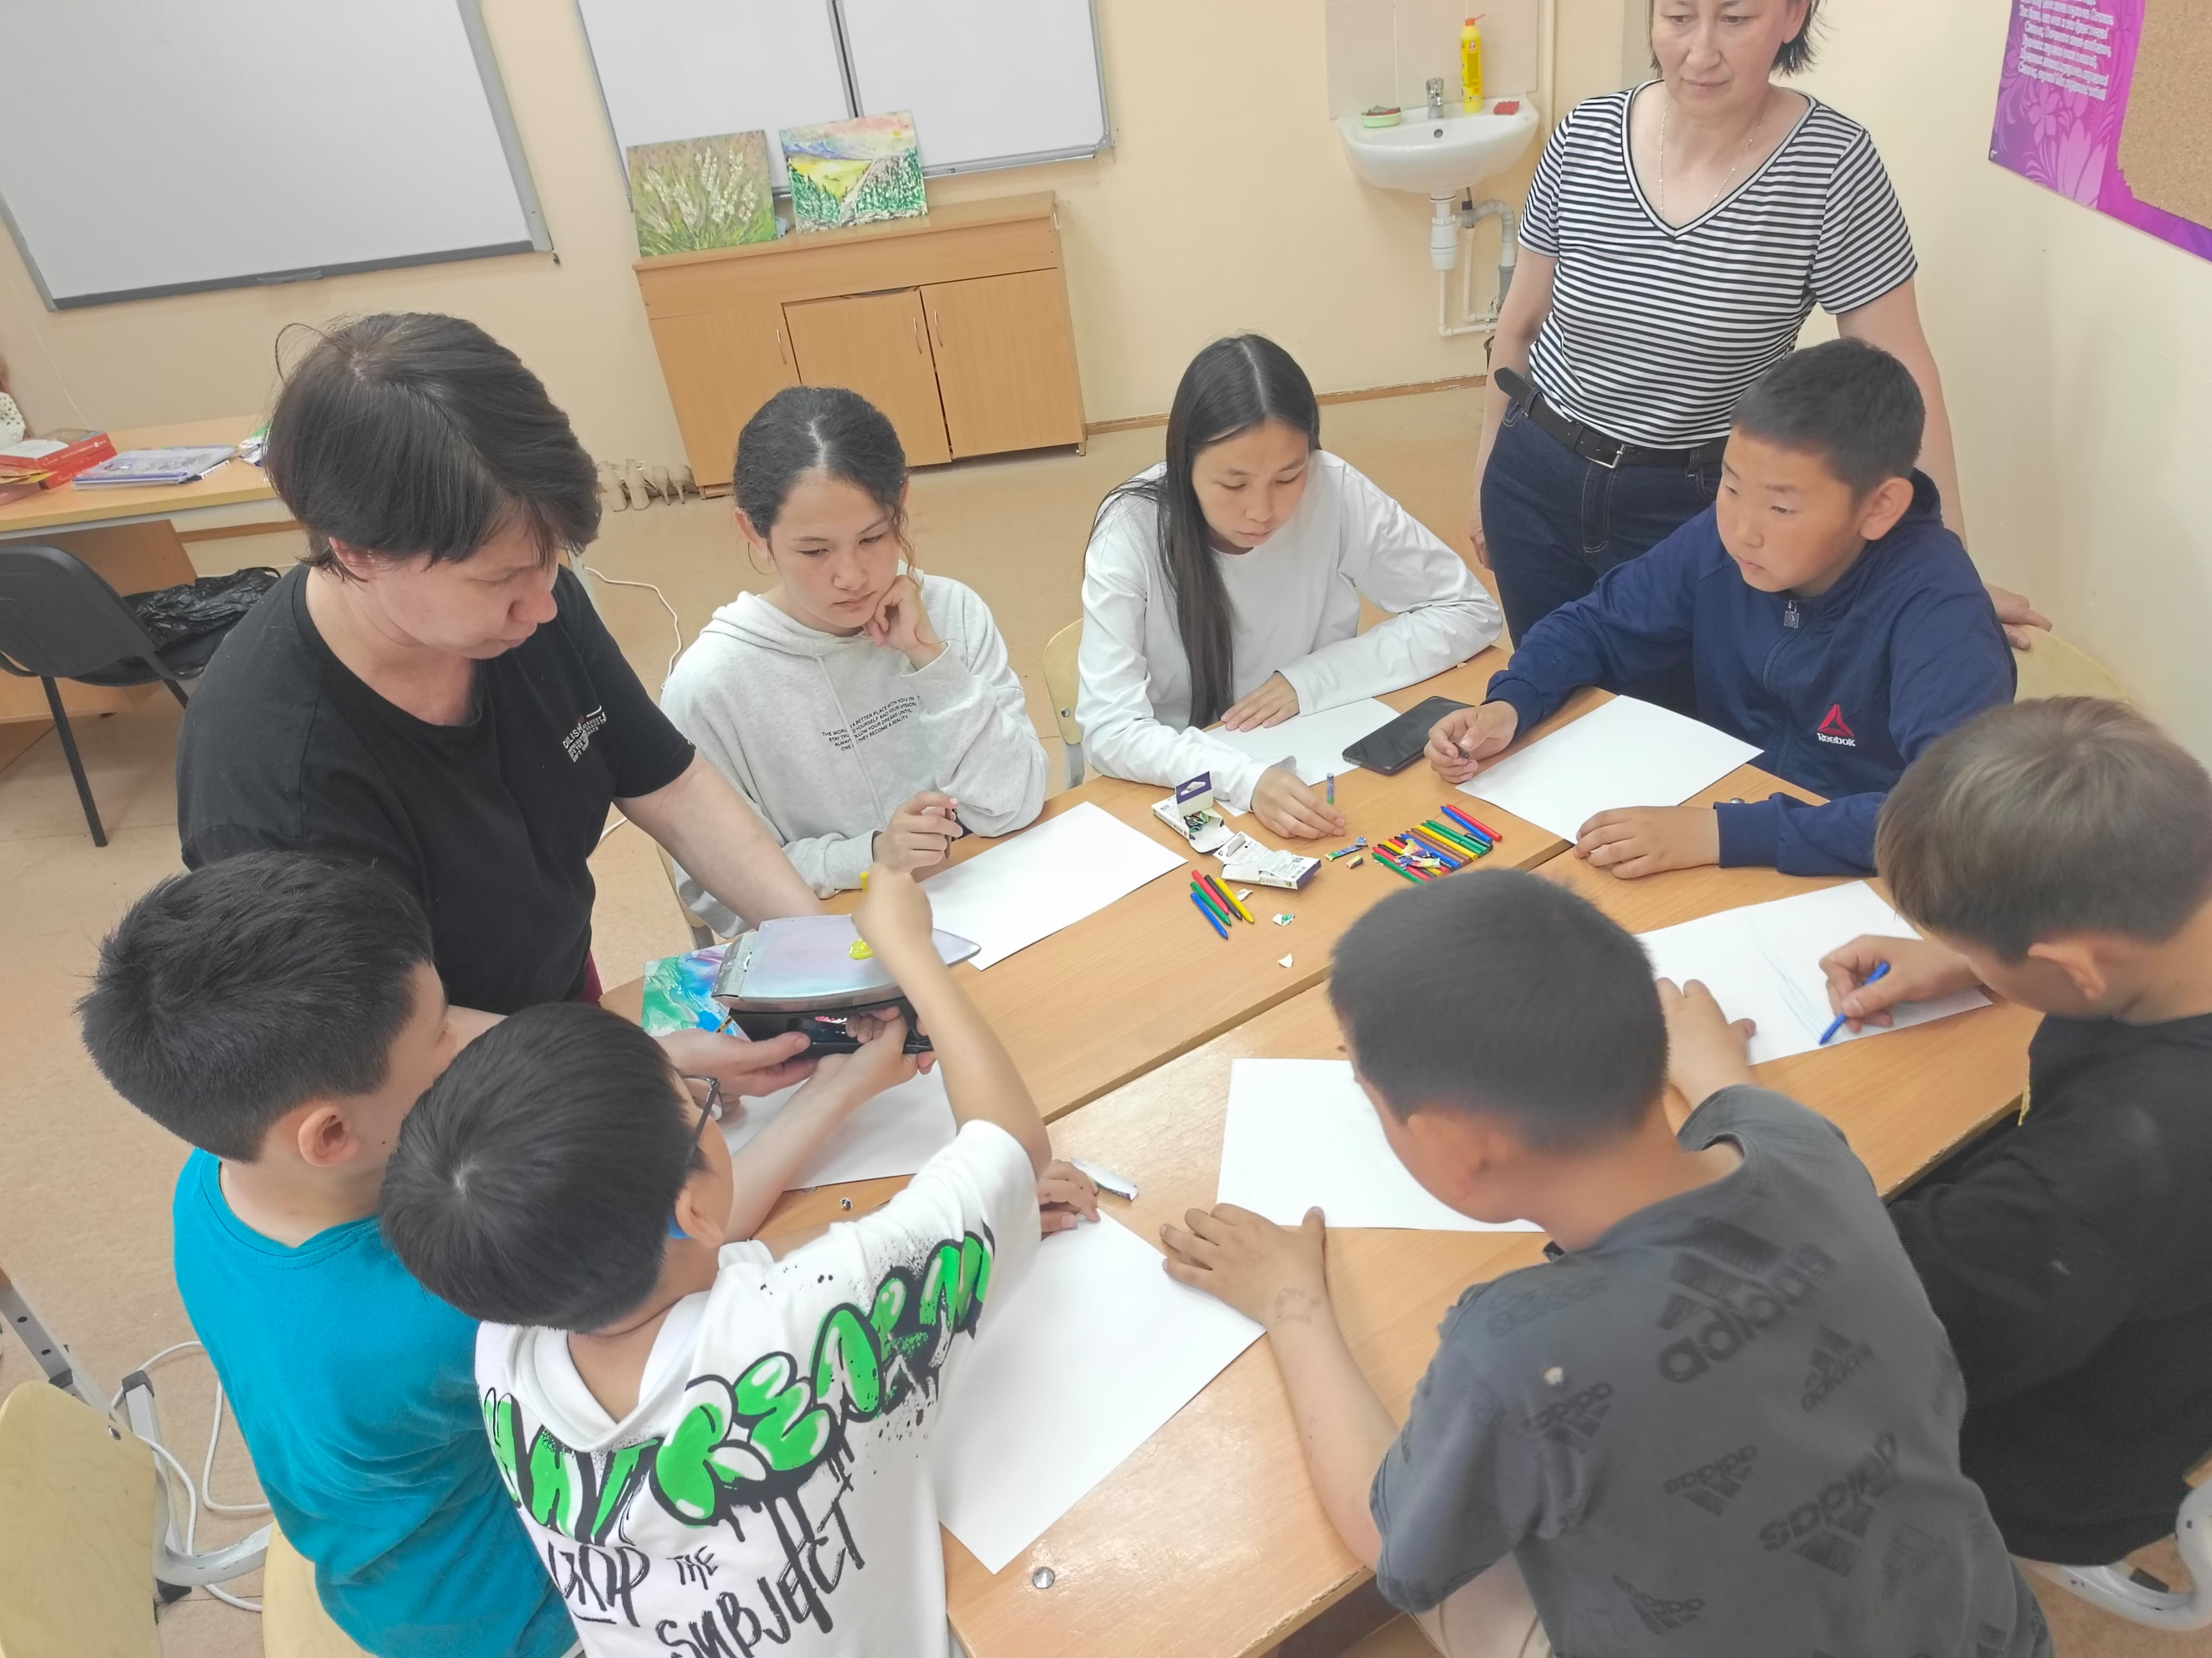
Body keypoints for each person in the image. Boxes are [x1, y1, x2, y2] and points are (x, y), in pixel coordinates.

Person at [1160, 869, 2049, 1657]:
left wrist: (1292, 1301)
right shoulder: (1800, 1142)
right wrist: (1709, 1061)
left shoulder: (1516, 1350)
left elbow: (1394, 1542)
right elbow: (1748, 1108)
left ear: (1458, 1147)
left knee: (1461, 1545)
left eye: (1371, 1096)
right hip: (1984, 1625)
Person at [378, 866, 1097, 1657]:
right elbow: (1012, 1144)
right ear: (690, 1209)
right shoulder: (808, 1323)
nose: (706, 1106)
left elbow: (710, 1258)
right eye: (696, 1104)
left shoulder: (504, 1344)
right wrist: (910, 950)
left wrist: (954, 1217)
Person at [176, 313, 822, 1020]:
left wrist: (823, 945)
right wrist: (629, 1058)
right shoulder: (270, 781)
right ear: (356, 551)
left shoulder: (531, 605)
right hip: (419, 1061)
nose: (543, 606)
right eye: (498, 580)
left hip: (555, 997)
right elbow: (376, 1043)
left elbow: (670, 786)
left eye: (551, 560)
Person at [1472, 0, 2045, 699]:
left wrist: (1946, 578)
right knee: (1550, 695)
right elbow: (1518, 329)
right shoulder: (1585, 135)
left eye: (1735, 19)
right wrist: (1485, 480)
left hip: (1699, 509)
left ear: (1792, 16)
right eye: (1678, 17)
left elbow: (1903, 377)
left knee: (1684, 726)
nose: (1700, 53)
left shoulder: (1832, 166)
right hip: (1536, 476)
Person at [1793, 699, 2211, 1567]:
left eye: (1981, 951)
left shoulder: (2114, 1161)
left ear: (2073, 965)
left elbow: (1899, 1324)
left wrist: (1726, 1094)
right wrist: (1979, 962)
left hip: (2068, 1457)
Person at [1427, 339, 2013, 878]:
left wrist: (1721, 833)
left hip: (1852, 867)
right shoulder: (1721, 540)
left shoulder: (1939, 608)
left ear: (1880, 507)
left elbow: (1947, 814)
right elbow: (1597, 623)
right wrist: (1511, 702)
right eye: (1730, 487)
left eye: (1781, 509)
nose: (1742, 531)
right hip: (1720, 814)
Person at [1077, 334, 1502, 839]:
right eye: (1234, 484)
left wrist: (1311, 680)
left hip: (1315, 756)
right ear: (1184, 462)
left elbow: (1468, 610)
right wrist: (1245, 779)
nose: (1262, 511)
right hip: (1177, 784)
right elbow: (1110, 728)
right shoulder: (1131, 528)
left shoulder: (1334, 489)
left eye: (1288, 477)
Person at [660, 386, 1046, 935]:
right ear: (755, 534)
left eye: (873, 537)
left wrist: (932, 663)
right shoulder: (710, 687)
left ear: (900, 502)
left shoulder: (951, 612)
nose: (851, 576)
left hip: (991, 903)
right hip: (835, 936)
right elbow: (717, 892)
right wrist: (867, 855)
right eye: (815, 551)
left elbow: (1015, 803)